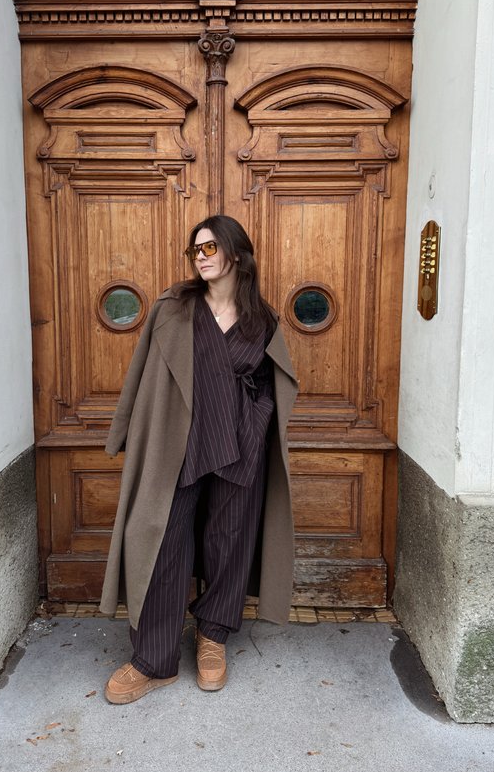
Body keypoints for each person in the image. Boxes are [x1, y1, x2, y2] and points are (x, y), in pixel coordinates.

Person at [101, 215, 298, 704]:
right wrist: (125, 430)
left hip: (240, 442)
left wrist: (258, 423)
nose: (203, 256)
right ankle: (154, 658)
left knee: (230, 540)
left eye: (211, 247)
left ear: (236, 253)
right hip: (178, 442)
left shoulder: (264, 319)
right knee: (164, 541)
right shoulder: (175, 307)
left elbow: (275, 382)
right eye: (196, 250)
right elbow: (141, 371)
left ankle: (213, 636)